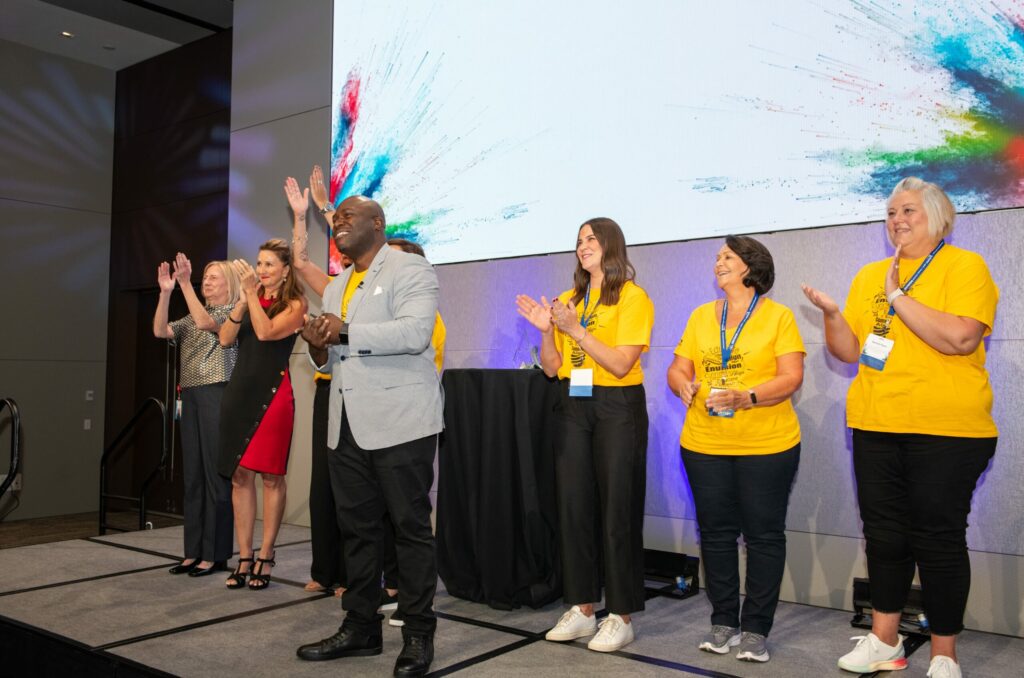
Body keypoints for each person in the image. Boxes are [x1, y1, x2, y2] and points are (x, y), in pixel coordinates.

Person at [802, 177, 998, 678]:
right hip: (875, 423)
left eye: (908, 210)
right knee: (884, 537)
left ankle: (944, 653)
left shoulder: (965, 267)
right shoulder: (870, 274)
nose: (897, 220)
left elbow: (960, 338)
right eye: (891, 213)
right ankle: (883, 642)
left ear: (938, 217)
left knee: (937, 539)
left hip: (947, 429)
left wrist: (898, 296)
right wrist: (833, 316)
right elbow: (851, 352)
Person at [295, 195, 443, 678]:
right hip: (346, 424)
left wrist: (344, 332)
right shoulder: (338, 285)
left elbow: (415, 333)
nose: (338, 223)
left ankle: (418, 633)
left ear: (377, 223)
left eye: (347, 216)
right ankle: (360, 626)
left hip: (401, 422)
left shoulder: (409, 269)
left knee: (409, 530)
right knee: (357, 531)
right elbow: (331, 356)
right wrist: (319, 347)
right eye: (335, 218)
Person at [515, 217, 654, 653]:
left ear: (611, 245)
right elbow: (553, 368)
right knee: (573, 507)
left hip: (617, 406)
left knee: (617, 509)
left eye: (591, 238)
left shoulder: (632, 297)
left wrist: (576, 329)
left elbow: (620, 363)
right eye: (578, 241)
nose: (583, 246)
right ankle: (582, 607)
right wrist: (547, 331)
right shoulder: (568, 299)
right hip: (573, 405)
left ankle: (621, 615)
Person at [666, 235, 805, 663]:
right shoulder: (700, 316)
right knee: (715, 534)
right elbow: (677, 368)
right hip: (704, 443)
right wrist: (682, 384)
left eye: (727, 256)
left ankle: (756, 628)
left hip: (767, 445)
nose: (718, 262)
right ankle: (723, 620)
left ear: (750, 265)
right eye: (717, 257)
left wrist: (750, 397)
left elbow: (791, 376)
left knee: (763, 536)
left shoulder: (779, 317)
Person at [217, 239, 307, 590]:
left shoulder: (296, 303)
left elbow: (266, 332)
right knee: (239, 475)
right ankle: (244, 555)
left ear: (285, 270)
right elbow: (226, 339)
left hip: (273, 395)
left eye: (269, 264)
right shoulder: (250, 297)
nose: (261, 270)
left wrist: (252, 297)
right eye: (259, 263)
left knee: (271, 477)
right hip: (240, 393)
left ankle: (266, 554)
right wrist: (242, 300)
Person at [153, 254, 239, 577]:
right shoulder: (190, 317)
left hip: (218, 392)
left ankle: (215, 554)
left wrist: (185, 284)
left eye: (214, 277)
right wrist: (166, 293)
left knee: (216, 476)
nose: (207, 281)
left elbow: (206, 323)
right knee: (192, 477)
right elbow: (160, 330)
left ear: (230, 283)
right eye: (205, 276)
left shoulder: (232, 312)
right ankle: (193, 551)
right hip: (190, 395)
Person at [288, 170, 349, 597]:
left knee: (351, 483)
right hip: (328, 390)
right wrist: (301, 214)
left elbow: (353, 238)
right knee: (323, 482)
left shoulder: (379, 288)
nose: (344, 260)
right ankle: (324, 571)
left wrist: (328, 208)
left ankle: (350, 575)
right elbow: (299, 262)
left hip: (360, 391)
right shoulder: (331, 288)